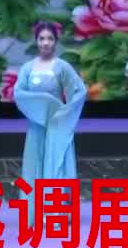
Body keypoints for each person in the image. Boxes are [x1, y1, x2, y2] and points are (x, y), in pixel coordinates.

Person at [13, 21, 87, 184]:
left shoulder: (62, 67)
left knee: (56, 165)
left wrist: (64, 113)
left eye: (50, 38)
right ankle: (36, 200)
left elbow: (79, 91)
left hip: (57, 126)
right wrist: (43, 103)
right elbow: (18, 93)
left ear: (55, 41)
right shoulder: (27, 68)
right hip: (36, 127)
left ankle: (55, 200)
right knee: (35, 165)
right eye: (41, 38)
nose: (45, 43)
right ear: (36, 40)